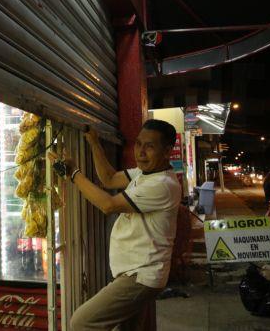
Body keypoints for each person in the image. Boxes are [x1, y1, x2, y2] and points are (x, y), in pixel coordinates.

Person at [49, 119, 181, 331]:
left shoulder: (162, 185)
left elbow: (108, 205)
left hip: (140, 276)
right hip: (137, 273)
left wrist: (73, 174)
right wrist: (94, 143)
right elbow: (109, 179)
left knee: (81, 322)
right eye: (138, 144)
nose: (141, 152)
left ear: (167, 151)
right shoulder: (144, 174)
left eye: (150, 146)